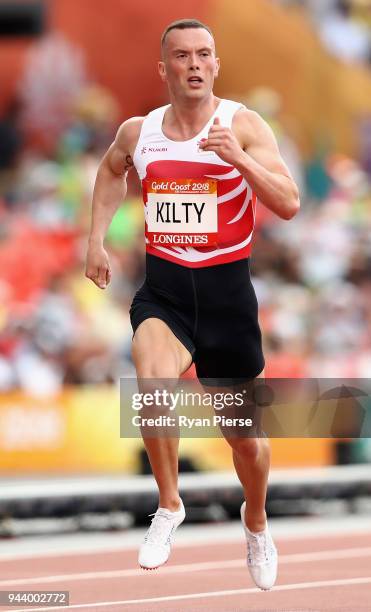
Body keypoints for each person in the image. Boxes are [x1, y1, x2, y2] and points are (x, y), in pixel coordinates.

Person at [85, 18, 300, 591]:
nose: (195, 64)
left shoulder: (243, 124)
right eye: (182, 56)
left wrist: (242, 161)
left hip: (227, 298)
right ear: (165, 68)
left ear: (216, 65)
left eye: (205, 54)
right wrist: (96, 240)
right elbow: (111, 173)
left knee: (246, 442)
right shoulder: (140, 132)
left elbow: (289, 203)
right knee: (153, 384)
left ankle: (255, 520)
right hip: (167, 291)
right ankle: (169, 504)